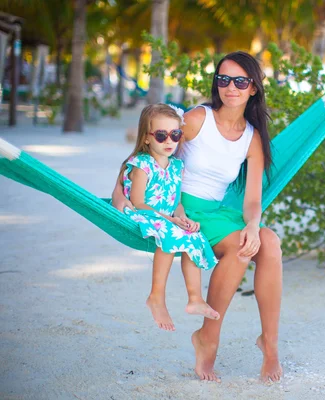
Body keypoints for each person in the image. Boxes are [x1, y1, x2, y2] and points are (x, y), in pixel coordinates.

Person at [112, 52, 283, 383]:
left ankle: (269, 344)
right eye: (223, 79)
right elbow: (146, 153)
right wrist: (120, 193)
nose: (230, 87)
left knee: (269, 241)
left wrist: (252, 225)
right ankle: (209, 337)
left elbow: (252, 199)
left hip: (218, 212)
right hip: (181, 207)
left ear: (253, 89)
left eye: (240, 81)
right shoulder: (198, 119)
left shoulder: (253, 137)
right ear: (216, 83)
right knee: (240, 251)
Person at [118, 103, 220, 332]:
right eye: (161, 135)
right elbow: (138, 202)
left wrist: (182, 218)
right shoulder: (141, 165)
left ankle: (195, 298)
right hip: (142, 214)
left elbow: (177, 203)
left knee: (194, 235)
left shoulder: (176, 166)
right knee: (170, 234)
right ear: (146, 138)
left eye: (175, 135)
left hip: (167, 217)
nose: (169, 142)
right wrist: (169, 220)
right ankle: (156, 296)